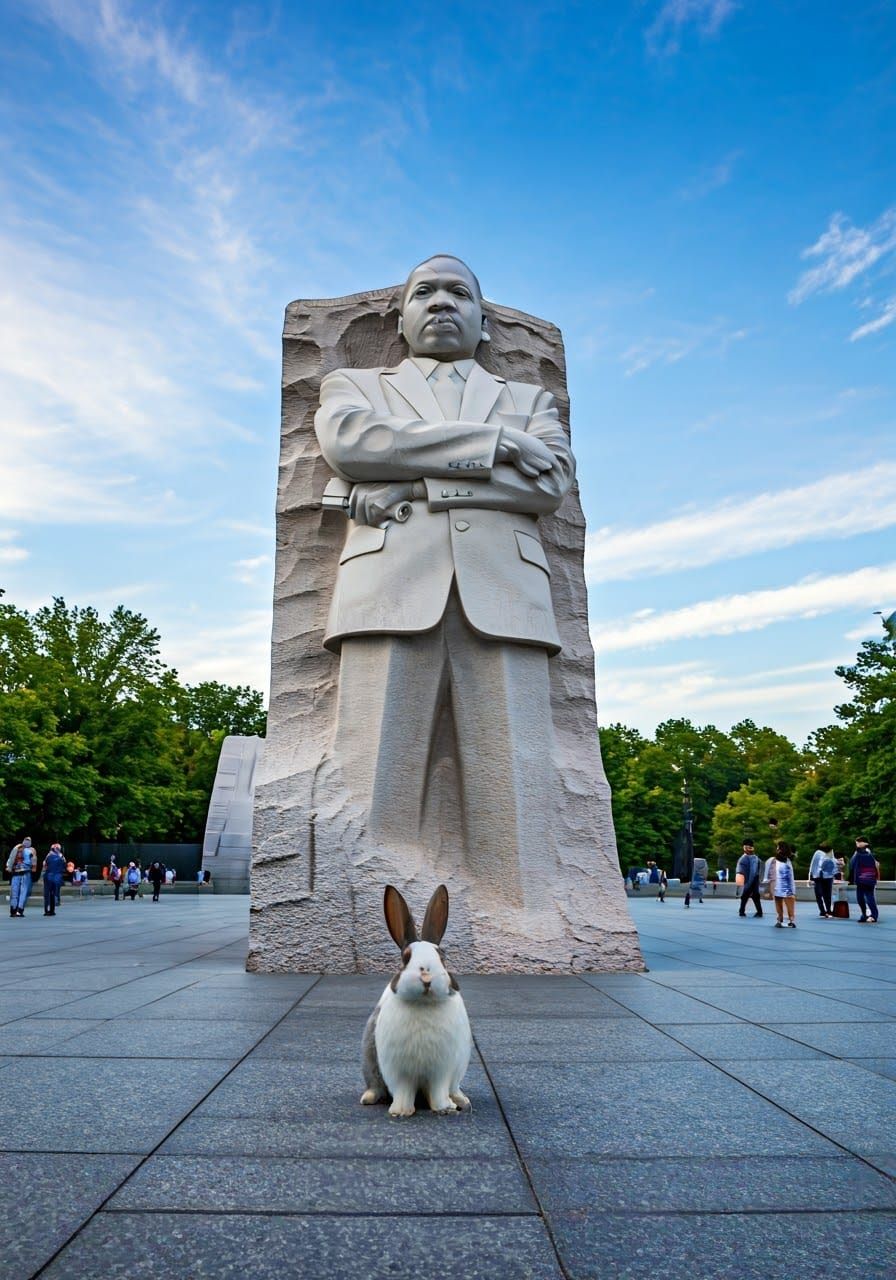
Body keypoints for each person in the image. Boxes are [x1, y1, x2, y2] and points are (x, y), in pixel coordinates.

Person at [314, 254, 575, 908]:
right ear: (398, 318)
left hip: (507, 597)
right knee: (372, 788)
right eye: (423, 292)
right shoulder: (355, 386)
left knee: (513, 795)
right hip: (387, 590)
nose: (440, 302)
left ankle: (524, 919)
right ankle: (367, 925)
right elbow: (352, 446)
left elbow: (548, 486)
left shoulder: (528, 400)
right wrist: (495, 447)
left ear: (485, 321)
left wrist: (415, 481)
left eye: (458, 292)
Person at [849, 836, 881, 924]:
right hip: (863, 879)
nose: (857, 845)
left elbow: (851, 864)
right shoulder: (860, 852)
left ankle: (873, 915)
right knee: (861, 898)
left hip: (867, 879)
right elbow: (852, 864)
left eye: (858, 843)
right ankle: (865, 915)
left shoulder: (868, 852)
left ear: (862, 842)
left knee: (868, 897)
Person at [769, 841, 797, 927]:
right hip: (788, 887)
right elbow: (791, 876)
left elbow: (771, 875)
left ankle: (779, 920)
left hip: (778, 886)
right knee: (790, 904)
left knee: (778, 903)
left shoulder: (774, 861)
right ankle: (791, 920)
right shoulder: (788, 860)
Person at [807, 842, 838, 918]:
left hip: (820, 876)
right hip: (822, 877)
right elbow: (832, 863)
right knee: (825, 894)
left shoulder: (818, 853)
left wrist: (810, 877)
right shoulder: (819, 853)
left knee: (820, 894)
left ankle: (824, 911)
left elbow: (812, 865)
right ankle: (827, 910)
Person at [6, 842, 36, 917]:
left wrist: (9, 867)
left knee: (14, 892)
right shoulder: (30, 851)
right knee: (23, 892)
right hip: (25, 873)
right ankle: (19, 911)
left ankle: (13, 911)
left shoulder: (15, 849)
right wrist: (33, 867)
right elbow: (33, 862)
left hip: (16, 873)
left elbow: (10, 860)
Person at [736, 840, 764, 918]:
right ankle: (743, 911)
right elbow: (740, 871)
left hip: (753, 879)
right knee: (748, 896)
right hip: (748, 879)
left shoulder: (754, 858)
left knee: (752, 896)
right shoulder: (744, 859)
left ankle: (745, 911)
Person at [41, 843, 66, 917]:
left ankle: (46, 910)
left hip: (48, 876)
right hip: (57, 877)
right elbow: (64, 866)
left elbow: (44, 866)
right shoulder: (61, 857)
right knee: (54, 893)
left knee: (47, 893)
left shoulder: (48, 856)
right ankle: (52, 910)